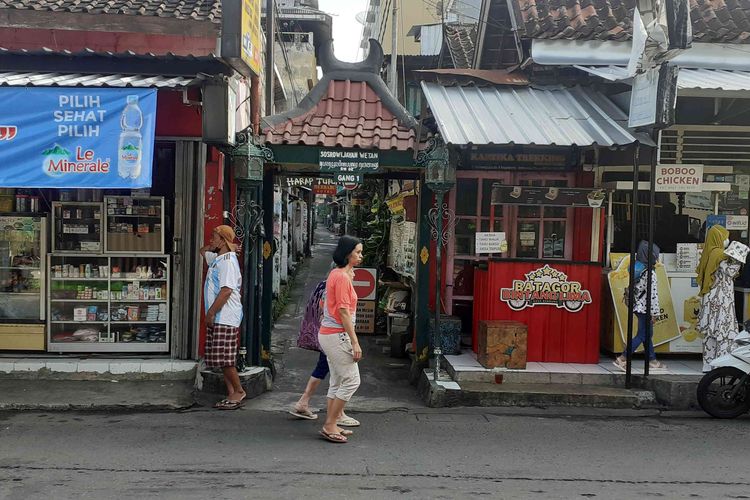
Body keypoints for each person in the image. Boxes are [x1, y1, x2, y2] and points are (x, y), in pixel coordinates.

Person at [288, 279, 360, 428]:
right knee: (340, 375)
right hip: (333, 334)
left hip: (324, 331)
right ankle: (335, 415)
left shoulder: (324, 284)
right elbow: (341, 312)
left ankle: (306, 402)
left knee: (326, 368)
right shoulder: (337, 285)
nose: (353, 275)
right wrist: (353, 340)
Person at [317, 235, 363, 443]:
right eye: (357, 252)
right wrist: (355, 342)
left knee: (337, 380)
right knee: (352, 380)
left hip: (329, 333)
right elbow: (344, 312)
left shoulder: (336, 274)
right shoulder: (342, 278)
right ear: (347, 254)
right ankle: (329, 425)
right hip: (337, 334)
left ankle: (332, 422)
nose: (360, 256)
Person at [200, 225, 245, 410]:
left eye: (214, 236)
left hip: (225, 316)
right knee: (220, 359)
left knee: (226, 359)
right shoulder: (218, 258)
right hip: (219, 317)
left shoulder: (227, 262)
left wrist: (211, 313)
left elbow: (226, 291)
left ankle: (239, 391)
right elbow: (202, 251)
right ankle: (231, 393)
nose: (211, 239)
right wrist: (216, 246)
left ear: (223, 240)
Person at [698, 235, 749, 372]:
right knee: (724, 332)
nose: (727, 240)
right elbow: (730, 272)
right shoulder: (720, 255)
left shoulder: (709, 253)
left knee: (710, 332)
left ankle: (708, 364)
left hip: (711, 298)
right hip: (721, 300)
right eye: (725, 237)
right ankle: (721, 366)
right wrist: (738, 256)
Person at [614, 241, 664, 370]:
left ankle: (652, 360)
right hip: (645, 308)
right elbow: (652, 295)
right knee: (642, 335)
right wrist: (654, 313)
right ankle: (623, 358)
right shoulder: (650, 273)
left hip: (637, 306)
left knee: (647, 334)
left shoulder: (637, 268)